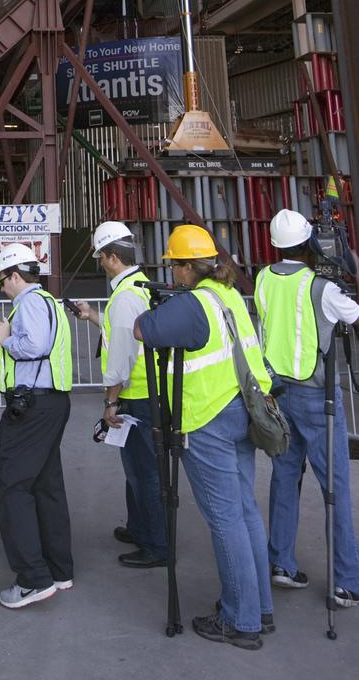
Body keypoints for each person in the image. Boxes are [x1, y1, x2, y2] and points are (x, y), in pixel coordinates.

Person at [134, 224, 273, 649]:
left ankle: (241, 620)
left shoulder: (194, 305)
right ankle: (259, 607)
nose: (173, 275)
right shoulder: (229, 295)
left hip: (208, 417)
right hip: (243, 412)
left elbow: (144, 329)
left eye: (175, 266)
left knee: (225, 518)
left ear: (187, 266)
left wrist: (152, 307)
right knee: (246, 511)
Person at [254, 207, 359, 608]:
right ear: (311, 245)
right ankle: (347, 579)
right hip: (317, 396)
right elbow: (354, 313)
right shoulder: (321, 288)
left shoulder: (263, 280)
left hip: (277, 394)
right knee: (335, 486)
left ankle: (281, 561)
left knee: (284, 478)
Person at [75, 220, 167, 569]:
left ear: (113, 257)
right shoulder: (139, 287)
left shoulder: (126, 296)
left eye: (101, 258)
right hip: (146, 393)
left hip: (137, 397)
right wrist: (94, 316)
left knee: (144, 472)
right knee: (137, 470)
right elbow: (128, 331)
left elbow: (123, 354)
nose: (100, 264)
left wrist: (111, 400)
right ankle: (139, 527)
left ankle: (155, 544)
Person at [0, 242, 73, 609]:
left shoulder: (29, 304)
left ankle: (32, 578)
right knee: (46, 484)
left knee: (11, 484)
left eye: (2, 279)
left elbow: (34, 344)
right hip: (51, 402)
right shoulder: (51, 302)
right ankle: (59, 569)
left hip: (32, 406)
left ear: (13, 276)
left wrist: (5, 340)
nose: (1, 286)